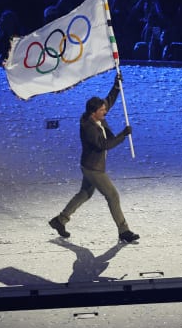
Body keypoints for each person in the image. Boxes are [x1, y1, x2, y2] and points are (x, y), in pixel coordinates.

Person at [49, 73, 139, 243]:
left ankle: (59, 220)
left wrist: (116, 86)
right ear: (93, 113)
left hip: (89, 165)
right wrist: (123, 135)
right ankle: (123, 230)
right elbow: (104, 145)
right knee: (112, 196)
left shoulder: (96, 118)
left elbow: (109, 101)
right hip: (93, 168)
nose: (105, 111)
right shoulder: (88, 128)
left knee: (85, 194)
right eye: (102, 110)